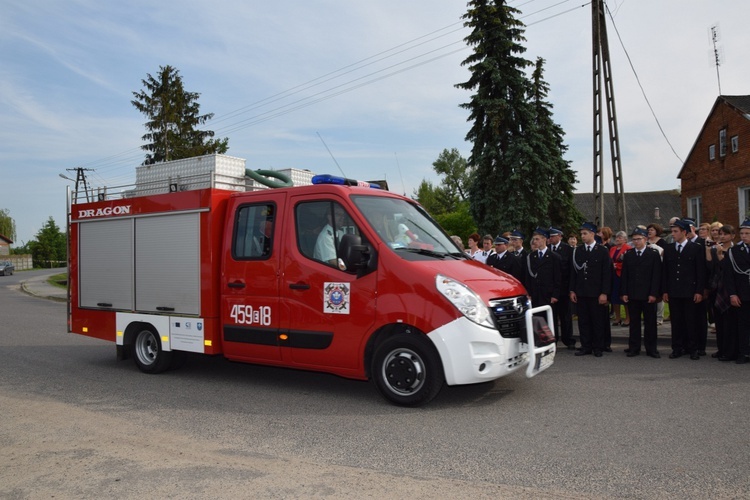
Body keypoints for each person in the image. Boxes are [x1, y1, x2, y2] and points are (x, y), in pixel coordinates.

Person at [662, 219, 706, 360]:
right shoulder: (668, 249)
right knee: (677, 321)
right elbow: (665, 272)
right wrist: (665, 290)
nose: (673, 234)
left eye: (676, 231)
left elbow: (700, 271)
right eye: (672, 231)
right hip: (674, 291)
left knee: (691, 321)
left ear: (684, 233)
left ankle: (693, 348)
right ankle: (677, 347)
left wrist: (699, 290)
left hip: (690, 291)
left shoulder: (696, 248)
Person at [570, 222, 612, 357]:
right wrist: (572, 290)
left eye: (585, 233)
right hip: (582, 292)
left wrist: (604, 293)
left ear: (593, 234)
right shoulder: (578, 251)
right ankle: (585, 346)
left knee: (597, 321)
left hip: (596, 292)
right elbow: (574, 272)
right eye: (581, 234)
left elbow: (607, 273)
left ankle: (598, 347)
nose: (582, 236)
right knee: (583, 321)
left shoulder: (602, 251)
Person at [620, 227, 662, 358]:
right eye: (634, 240)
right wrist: (624, 292)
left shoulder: (653, 254)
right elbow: (624, 275)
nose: (636, 242)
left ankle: (651, 348)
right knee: (634, 323)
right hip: (633, 294)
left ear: (645, 239)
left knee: (650, 323)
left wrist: (654, 294)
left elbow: (656, 276)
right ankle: (634, 347)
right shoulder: (629, 255)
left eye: (639, 239)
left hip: (648, 294)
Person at [724, 220, 750, 364]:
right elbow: (729, 275)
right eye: (742, 233)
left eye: (747, 233)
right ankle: (744, 352)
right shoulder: (734, 252)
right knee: (743, 325)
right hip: (742, 294)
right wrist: (733, 294)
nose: (744, 236)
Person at [710, 225, 737, 361]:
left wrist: (721, 256)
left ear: (732, 236)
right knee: (719, 322)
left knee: (730, 323)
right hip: (717, 288)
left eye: (726, 234)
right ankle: (721, 349)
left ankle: (729, 350)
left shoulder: (735, 250)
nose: (722, 236)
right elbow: (712, 268)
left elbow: (729, 270)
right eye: (721, 234)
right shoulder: (716, 249)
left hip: (731, 289)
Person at [522, 227, 561, 316]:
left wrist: (555, 295)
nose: (535, 241)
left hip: (548, 294)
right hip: (535, 295)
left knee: (550, 321)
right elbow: (528, 277)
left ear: (544, 239)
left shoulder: (554, 257)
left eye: (537, 239)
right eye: (534, 239)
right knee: (537, 321)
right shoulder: (531, 256)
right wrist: (529, 293)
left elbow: (557, 278)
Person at [549, 226, 576, 349]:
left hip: (564, 289)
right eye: (550, 236)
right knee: (552, 316)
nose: (551, 238)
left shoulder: (567, 249)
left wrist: (571, 289)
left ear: (560, 236)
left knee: (565, 316)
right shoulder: (548, 249)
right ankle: (553, 339)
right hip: (552, 289)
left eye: (553, 236)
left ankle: (568, 339)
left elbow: (571, 271)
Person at [610, 231, 632, 326]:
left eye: (620, 238)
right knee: (614, 297)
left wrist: (617, 266)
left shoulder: (628, 248)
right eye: (617, 237)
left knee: (624, 297)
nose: (618, 239)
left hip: (622, 275)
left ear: (625, 240)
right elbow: (609, 259)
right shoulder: (612, 249)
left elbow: (628, 263)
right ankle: (617, 317)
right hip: (613, 275)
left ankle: (628, 318)